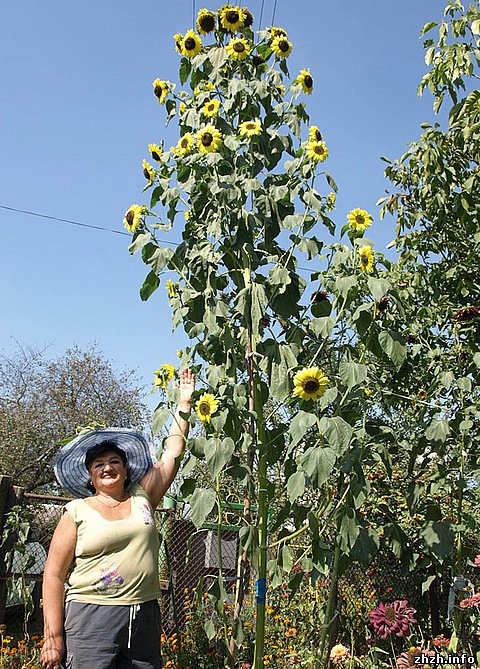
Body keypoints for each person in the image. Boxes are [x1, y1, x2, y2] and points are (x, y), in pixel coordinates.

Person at [40, 368, 195, 669]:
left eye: (114, 462)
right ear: (90, 475)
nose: (107, 467)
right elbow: (54, 576)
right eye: (99, 464)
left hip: (143, 615)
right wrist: (53, 636)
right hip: (90, 617)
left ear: (126, 469)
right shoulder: (77, 511)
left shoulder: (142, 498)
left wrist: (184, 402)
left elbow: (172, 452)